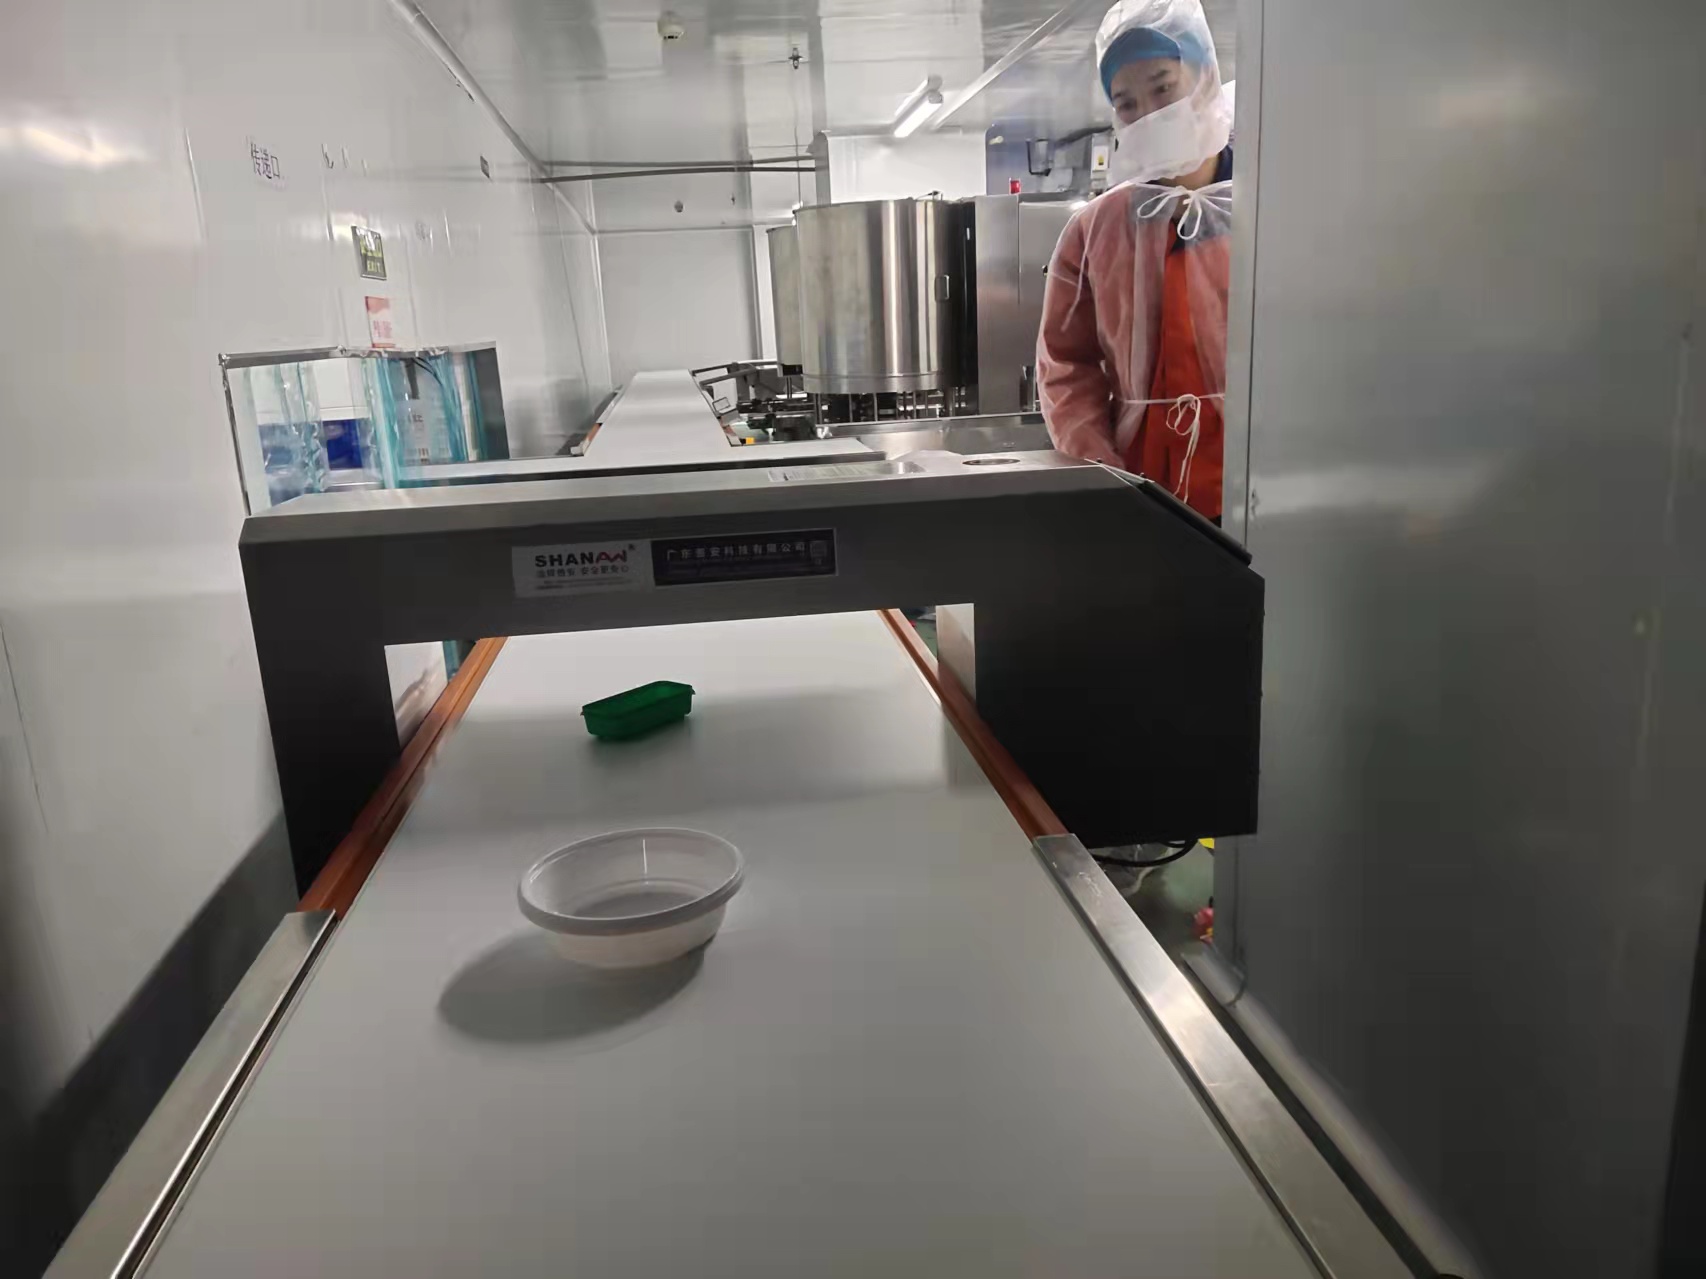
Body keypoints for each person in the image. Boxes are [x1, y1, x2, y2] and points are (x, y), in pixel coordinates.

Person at [1037, 0, 1234, 521]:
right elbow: (1066, 367)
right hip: (1143, 494)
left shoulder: (1271, 213)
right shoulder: (1094, 232)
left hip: (1258, 490)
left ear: (1206, 80)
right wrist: (1105, 477)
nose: (1149, 114)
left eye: (1163, 88)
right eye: (1126, 103)